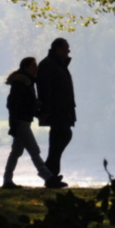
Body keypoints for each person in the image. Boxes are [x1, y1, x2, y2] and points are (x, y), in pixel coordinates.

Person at [2, 57, 64, 189]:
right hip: (21, 122)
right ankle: (48, 177)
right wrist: (35, 107)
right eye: (33, 66)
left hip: (21, 121)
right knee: (34, 150)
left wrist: (34, 107)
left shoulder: (26, 82)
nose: (36, 68)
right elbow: (15, 104)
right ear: (26, 67)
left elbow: (24, 104)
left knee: (16, 153)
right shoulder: (21, 83)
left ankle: (7, 180)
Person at [36, 38, 76, 186]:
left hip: (63, 109)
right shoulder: (49, 65)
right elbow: (44, 89)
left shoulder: (56, 64)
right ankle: (49, 174)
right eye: (66, 48)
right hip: (56, 110)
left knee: (59, 140)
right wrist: (45, 110)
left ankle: (50, 175)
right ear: (58, 49)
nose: (68, 51)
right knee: (61, 137)